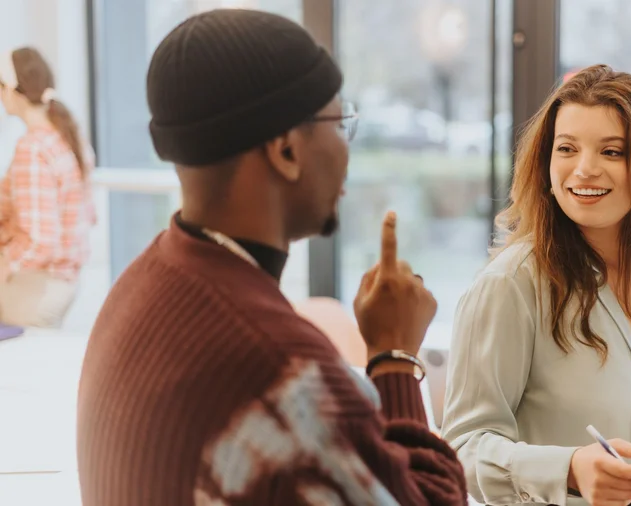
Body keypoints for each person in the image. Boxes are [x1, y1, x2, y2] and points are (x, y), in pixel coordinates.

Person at [77, 9, 467, 506]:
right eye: (338, 120)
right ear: (285, 150)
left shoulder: (143, 279)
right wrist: (393, 355)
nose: (346, 147)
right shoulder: (283, 370)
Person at [440, 65, 631, 506]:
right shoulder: (510, 286)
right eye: (567, 148)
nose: (584, 169)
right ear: (546, 163)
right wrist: (568, 470)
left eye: (612, 152)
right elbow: (462, 449)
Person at [0, 47, 95, 328]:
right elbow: (87, 214)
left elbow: (40, 241)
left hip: (35, 286)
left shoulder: (32, 149)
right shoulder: (67, 135)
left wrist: (4, 264)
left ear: (12, 90)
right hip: (63, 280)